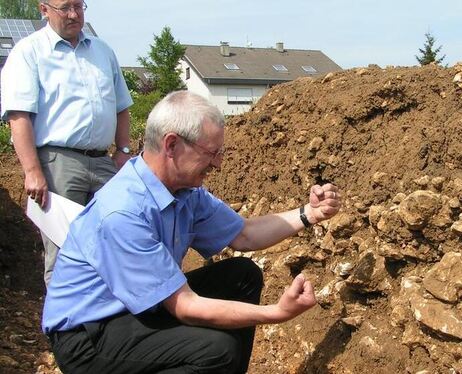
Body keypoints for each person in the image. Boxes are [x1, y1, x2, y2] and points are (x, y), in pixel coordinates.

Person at [42, 91, 342, 373]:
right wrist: (276, 313)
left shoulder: (185, 191)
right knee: (216, 350)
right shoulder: (123, 212)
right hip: (88, 334)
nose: (219, 164)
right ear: (172, 145)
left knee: (242, 275)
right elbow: (185, 307)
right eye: (211, 153)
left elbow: (245, 235)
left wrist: (310, 213)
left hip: (136, 307)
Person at [0, 0, 133, 284]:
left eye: (78, 6)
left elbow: (122, 106)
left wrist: (122, 151)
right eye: (64, 8)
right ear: (44, 9)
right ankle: (64, 327)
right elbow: (19, 116)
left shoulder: (102, 51)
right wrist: (33, 171)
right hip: (57, 163)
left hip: (103, 162)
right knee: (65, 249)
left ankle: (108, 325)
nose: (73, 14)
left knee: (115, 240)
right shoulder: (29, 52)